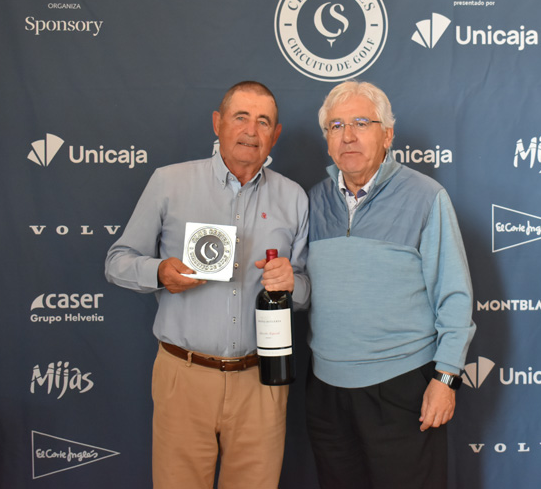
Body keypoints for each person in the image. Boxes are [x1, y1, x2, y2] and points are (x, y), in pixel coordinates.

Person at [104, 81, 309, 489]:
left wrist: (293, 285)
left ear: (275, 134)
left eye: (263, 121)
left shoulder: (294, 198)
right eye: (240, 117)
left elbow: (303, 289)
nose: (251, 130)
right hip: (184, 375)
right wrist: (159, 273)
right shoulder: (169, 182)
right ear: (218, 123)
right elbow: (117, 262)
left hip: (261, 381)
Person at [306, 80, 476, 489]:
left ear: (387, 135)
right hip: (327, 392)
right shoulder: (313, 201)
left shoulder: (426, 196)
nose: (348, 136)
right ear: (326, 139)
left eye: (361, 123)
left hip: (403, 391)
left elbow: (454, 295)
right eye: (336, 126)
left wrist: (446, 379)